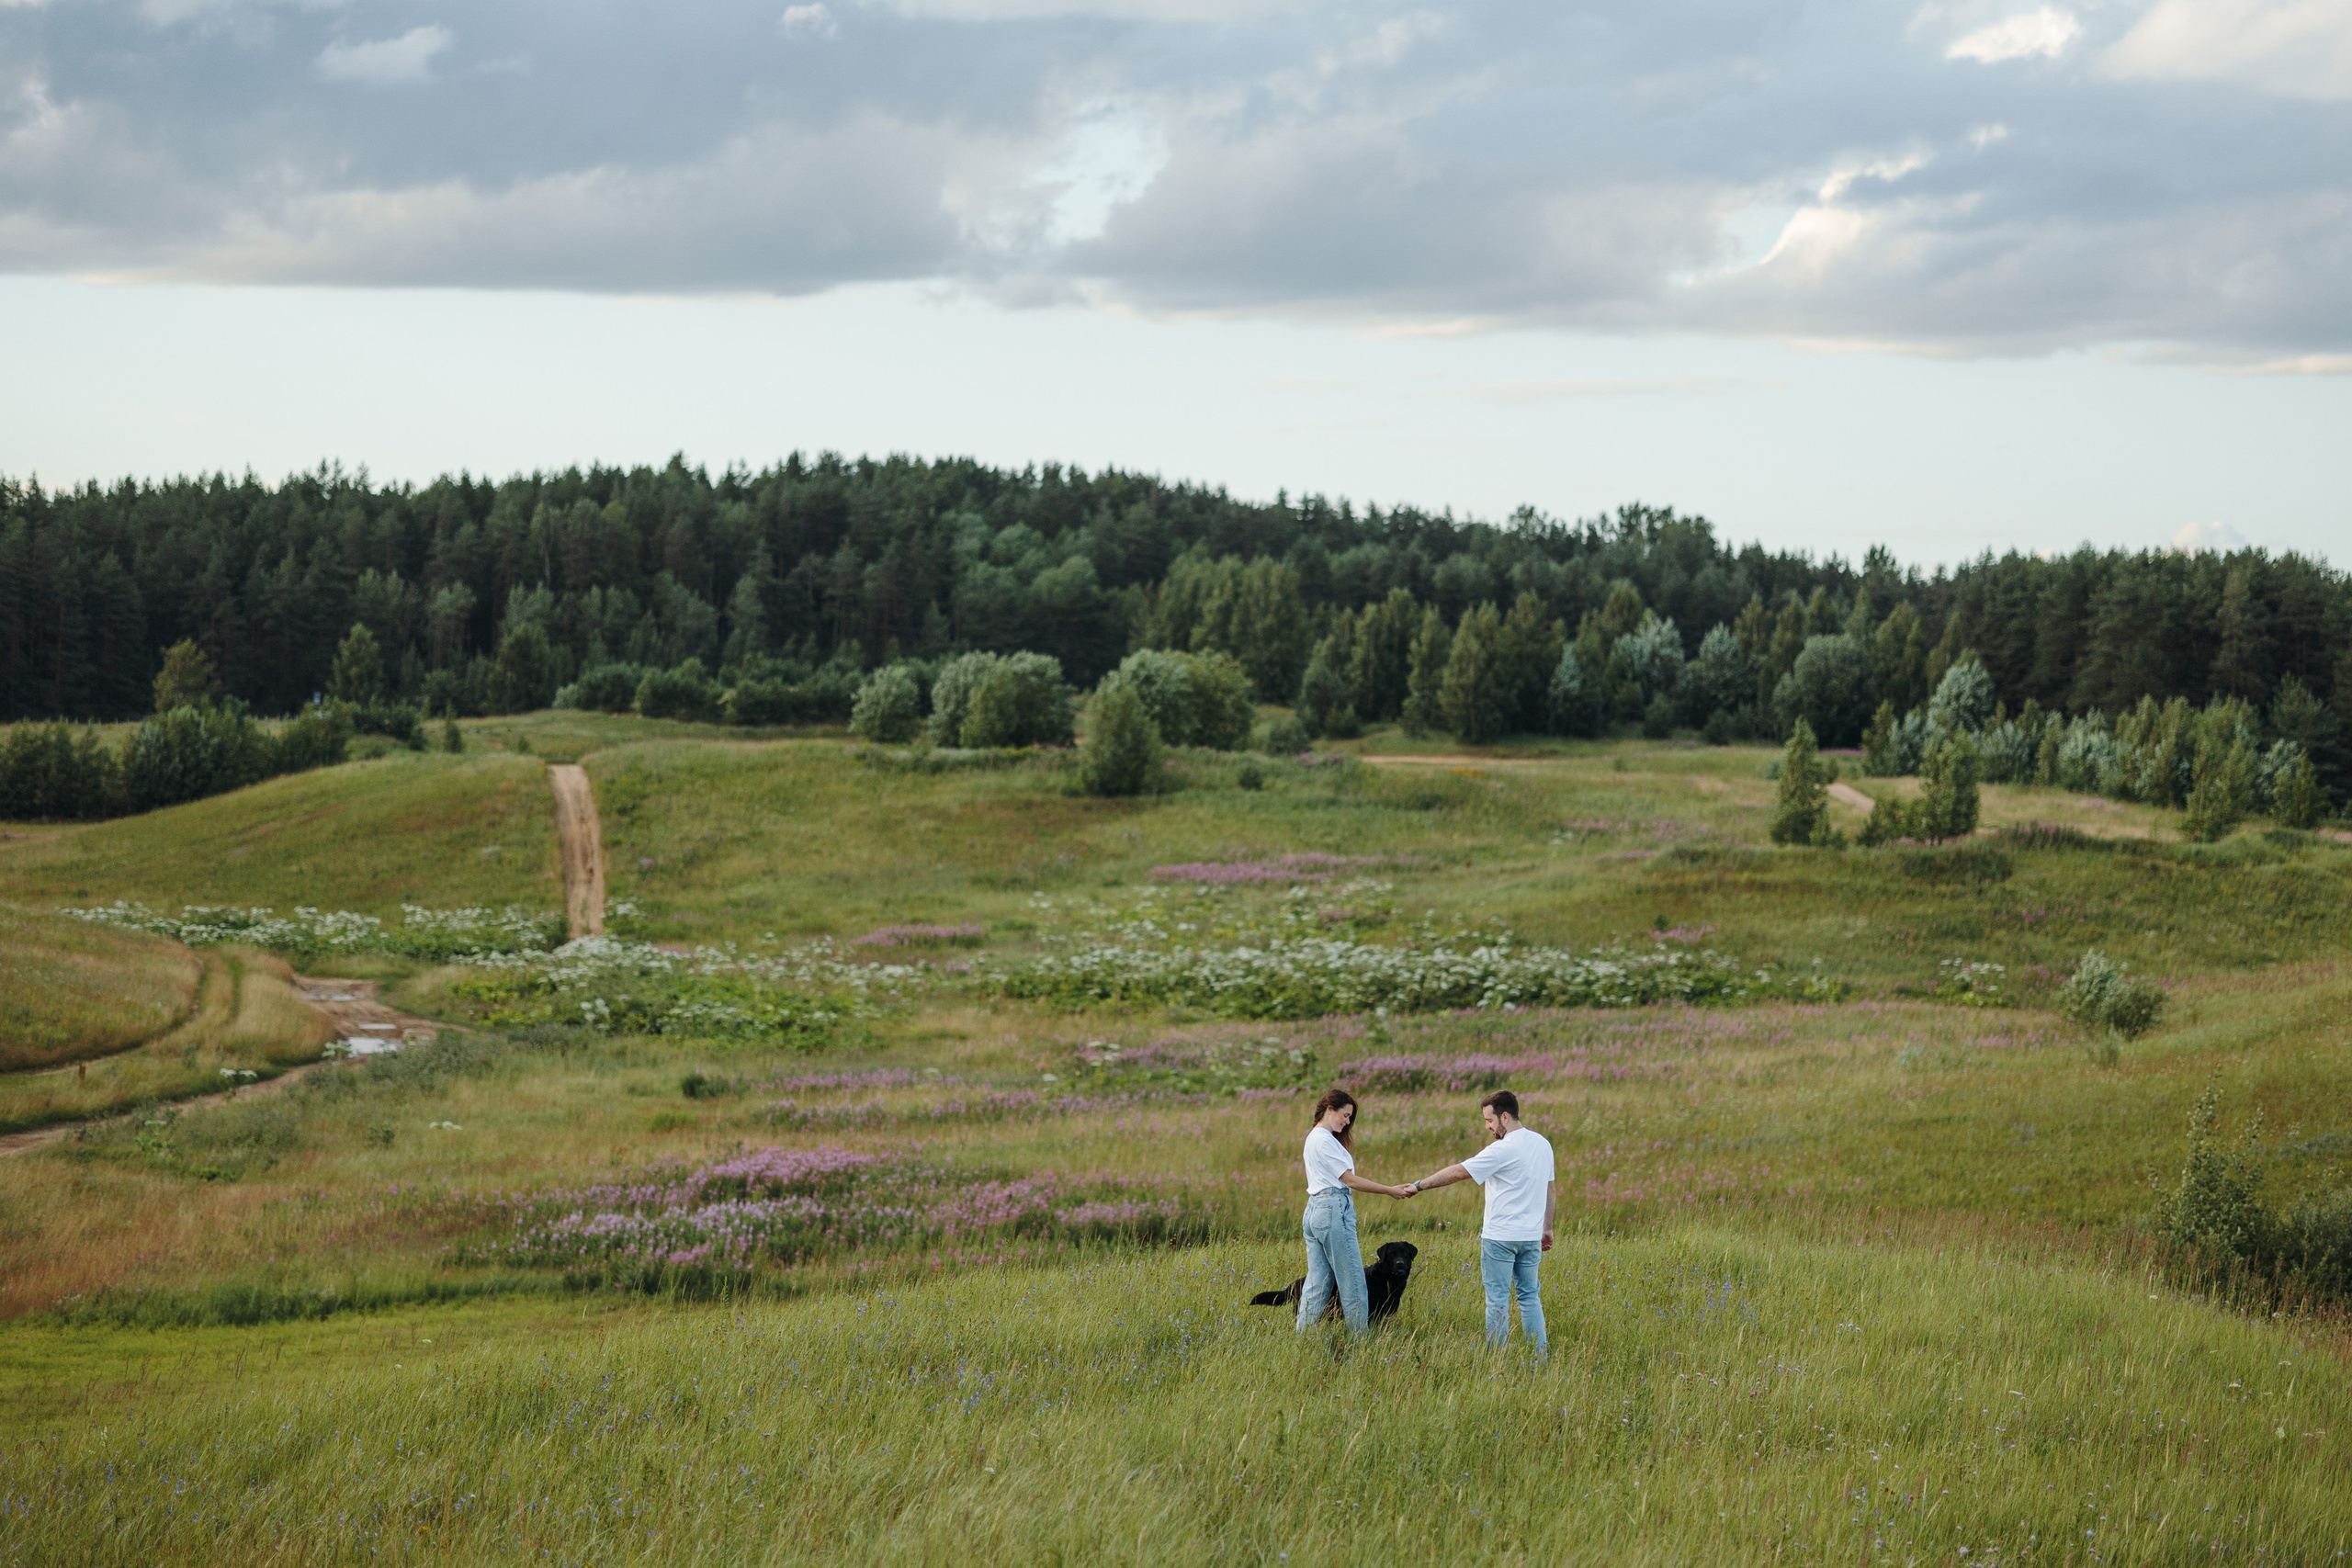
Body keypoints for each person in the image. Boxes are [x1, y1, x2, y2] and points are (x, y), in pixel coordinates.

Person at [1405, 1089, 1556, 1355]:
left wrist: (1419, 1185)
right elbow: (1550, 1189)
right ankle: (1539, 1359)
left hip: (1500, 1237)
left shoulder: (1501, 1149)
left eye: (1489, 1120)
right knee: (1530, 1298)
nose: (1488, 1126)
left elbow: (1458, 1172)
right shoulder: (1542, 1144)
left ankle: (1496, 1361)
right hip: (1531, 1236)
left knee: (1497, 1300)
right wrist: (1547, 1228)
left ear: (1505, 1117)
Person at [1297, 1087, 1414, 1335]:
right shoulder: (1324, 1140)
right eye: (1345, 1115)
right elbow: (1349, 1180)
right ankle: (1360, 1344)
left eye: (1350, 1117)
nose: (1348, 1121)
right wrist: (1389, 1190)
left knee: (1317, 1282)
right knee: (1354, 1283)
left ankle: (1302, 1338)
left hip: (1315, 1210)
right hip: (1332, 1209)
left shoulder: (1313, 1138)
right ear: (1330, 1110)